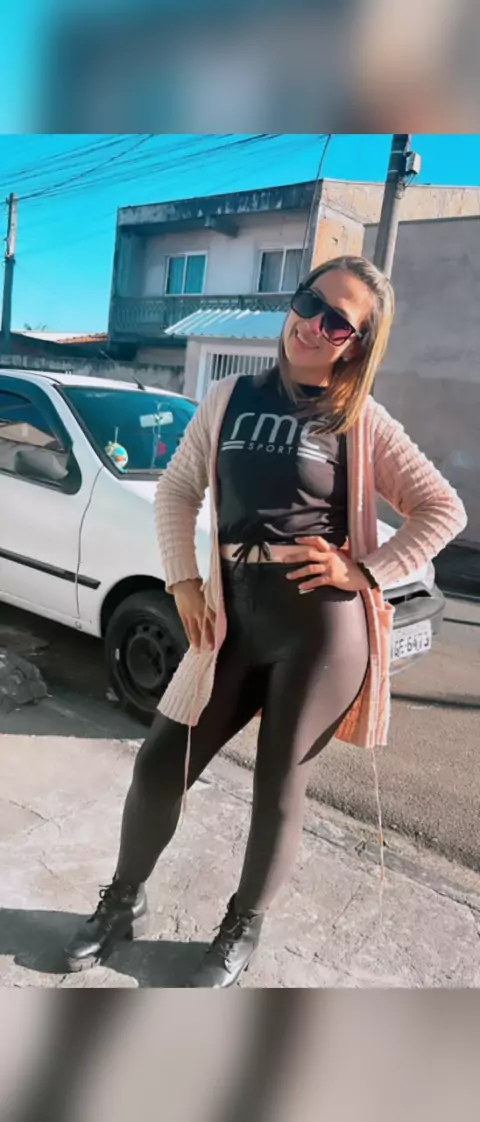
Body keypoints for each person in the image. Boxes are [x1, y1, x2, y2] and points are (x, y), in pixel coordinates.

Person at [65, 255, 467, 986]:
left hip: (321, 629)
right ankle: (123, 902)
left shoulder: (359, 418)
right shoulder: (230, 396)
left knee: (278, 787)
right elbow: (177, 491)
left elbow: (443, 509)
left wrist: (365, 571)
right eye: (310, 301)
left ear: (356, 343)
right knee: (160, 763)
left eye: (338, 321)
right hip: (232, 615)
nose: (313, 324)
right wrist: (182, 580)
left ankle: (241, 927)